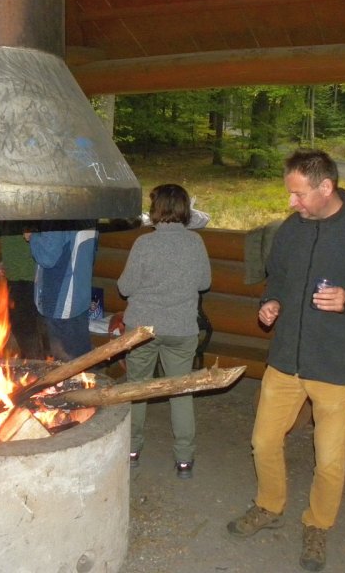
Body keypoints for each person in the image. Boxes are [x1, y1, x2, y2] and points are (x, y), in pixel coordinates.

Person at [226, 149, 345, 571]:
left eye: (299, 194)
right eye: (290, 194)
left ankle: (318, 525)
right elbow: (279, 278)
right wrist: (270, 302)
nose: (291, 202)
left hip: (337, 365)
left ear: (326, 187)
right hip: (285, 359)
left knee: (328, 458)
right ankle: (269, 505)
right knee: (263, 441)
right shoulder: (292, 230)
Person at [117, 184, 212, 479]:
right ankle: (184, 460)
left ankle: (132, 452)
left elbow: (125, 287)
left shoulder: (144, 244)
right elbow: (204, 282)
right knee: (180, 392)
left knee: (137, 388)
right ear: (184, 209)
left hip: (143, 330)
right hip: (182, 329)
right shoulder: (195, 242)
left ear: (156, 209)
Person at [27, 220, 98, 362]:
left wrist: (32, 237)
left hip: (60, 300)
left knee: (66, 364)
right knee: (81, 359)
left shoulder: (56, 217)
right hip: (79, 297)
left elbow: (47, 257)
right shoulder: (88, 214)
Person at [0, 221, 47, 360]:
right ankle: (35, 363)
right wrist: (4, 260)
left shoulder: (26, 212)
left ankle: (38, 365)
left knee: (26, 328)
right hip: (15, 277)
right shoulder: (6, 217)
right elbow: (9, 240)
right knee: (22, 327)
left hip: (29, 279)